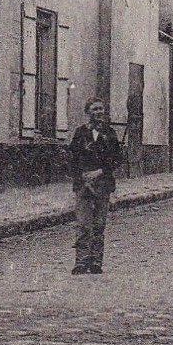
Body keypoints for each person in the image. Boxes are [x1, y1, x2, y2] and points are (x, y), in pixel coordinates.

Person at [69, 97, 122, 274]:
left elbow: (117, 159)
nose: (99, 112)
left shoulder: (110, 134)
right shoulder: (80, 133)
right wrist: (82, 175)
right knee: (84, 224)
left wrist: (100, 171)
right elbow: (72, 159)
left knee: (99, 224)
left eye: (101, 109)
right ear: (88, 112)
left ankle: (96, 262)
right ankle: (81, 261)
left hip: (103, 184)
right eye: (95, 109)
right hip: (83, 185)